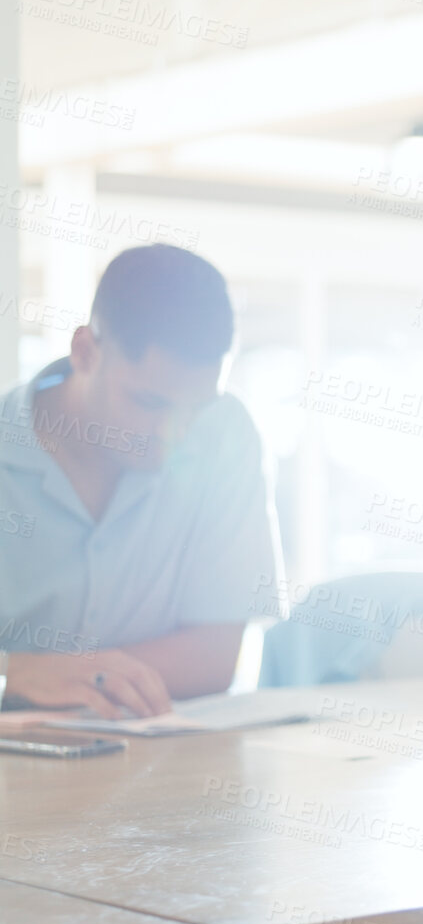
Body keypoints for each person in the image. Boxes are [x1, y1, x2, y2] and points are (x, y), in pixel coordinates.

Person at [0, 244, 281, 719]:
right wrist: (16, 673)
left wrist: (73, 675)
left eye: (195, 409)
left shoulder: (226, 435)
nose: (174, 435)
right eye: (150, 404)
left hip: (160, 768)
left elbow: (213, 658)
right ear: (85, 351)